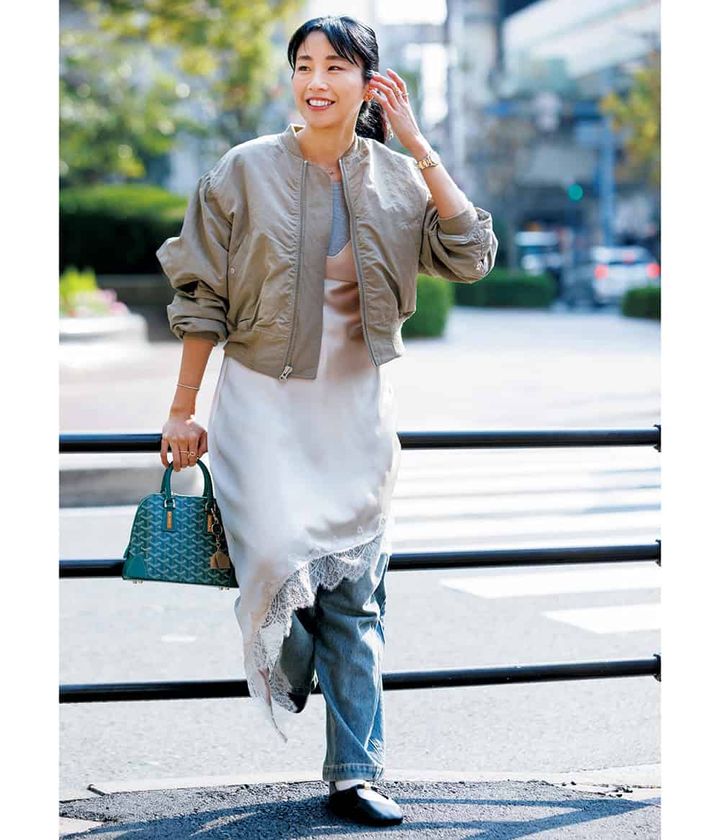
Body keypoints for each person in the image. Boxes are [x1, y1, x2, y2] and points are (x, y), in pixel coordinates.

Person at [157, 14, 498, 828]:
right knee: (274, 561)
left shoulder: (398, 177)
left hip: (355, 416)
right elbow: (200, 296)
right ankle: (290, 646)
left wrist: (418, 144)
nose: (316, 80)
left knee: (356, 600)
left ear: (368, 83)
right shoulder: (243, 171)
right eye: (304, 64)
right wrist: (182, 409)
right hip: (261, 411)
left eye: (336, 66)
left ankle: (356, 774)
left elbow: (471, 255)